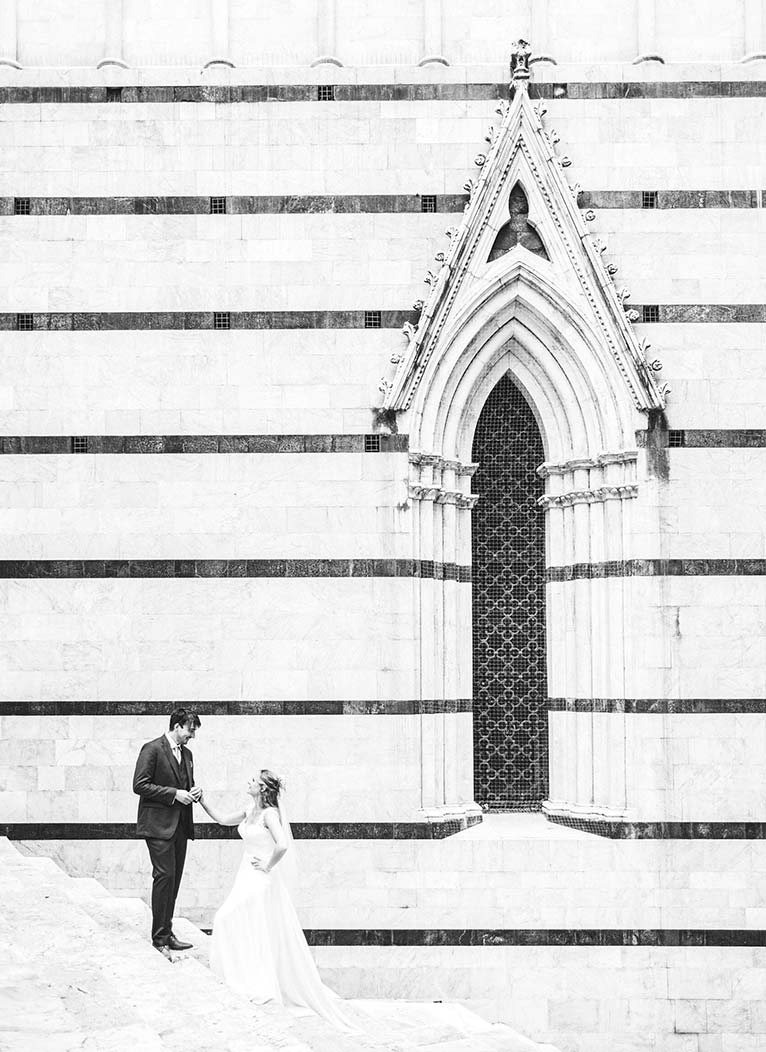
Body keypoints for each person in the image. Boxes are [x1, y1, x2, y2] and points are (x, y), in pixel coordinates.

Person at [200, 770, 357, 1033]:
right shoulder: (250, 809)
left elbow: (283, 844)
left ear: (263, 788)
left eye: (254, 781)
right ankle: (243, 974)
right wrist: (203, 800)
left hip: (261, 878)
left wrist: (267, 865)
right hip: (245, 874)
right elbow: (224, 820)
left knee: (228, 917)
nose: (249, 782)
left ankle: (253, 980)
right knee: (239, 922)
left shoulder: (269, 814)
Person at [132, 707, 202, 952]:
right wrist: (174, 794)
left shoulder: (188, 754)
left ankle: (167, 931)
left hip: (180, 826)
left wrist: (194, 791)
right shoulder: (152, 749)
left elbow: (185, 784)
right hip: (157, 826)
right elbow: (139, 785)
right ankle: (159, 938)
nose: (192, 736)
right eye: (190, 730)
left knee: (173, 880)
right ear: (177, 726)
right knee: (164, 878)